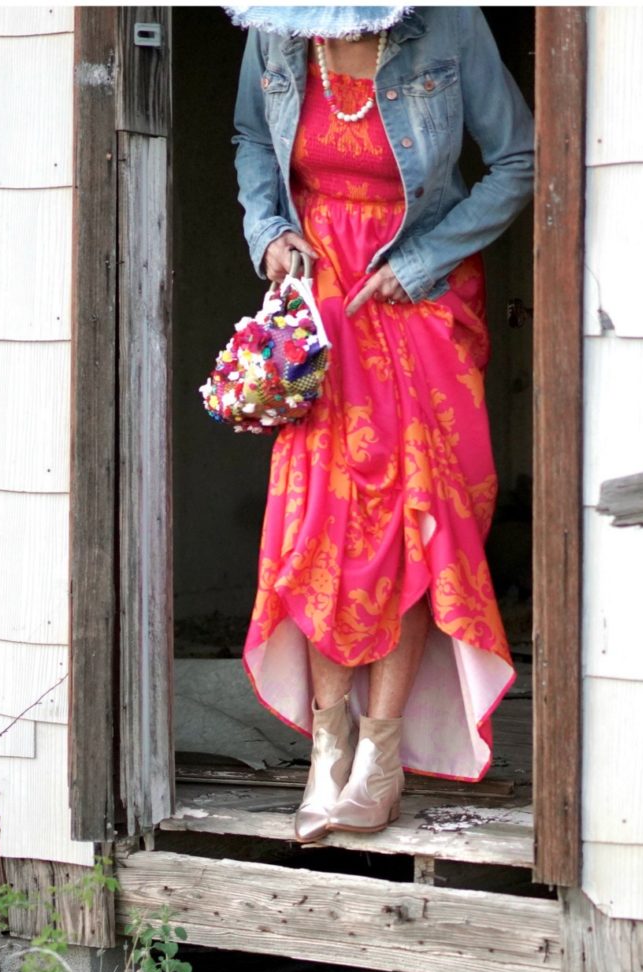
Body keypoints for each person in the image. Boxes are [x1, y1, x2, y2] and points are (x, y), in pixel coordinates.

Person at [226, 5, 534, 841]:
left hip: (419, 301)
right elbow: (253, 139)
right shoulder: (279, 28)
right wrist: (273, 233)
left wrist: (423, 261)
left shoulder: (449, 26)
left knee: (411, 523)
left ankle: (381, 757)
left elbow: (520, 159)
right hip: (325, 313)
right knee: (320, 527)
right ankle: (328, 752)